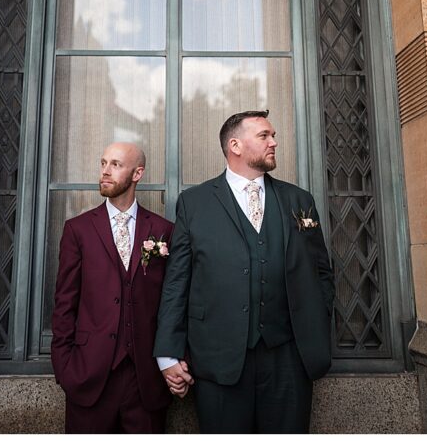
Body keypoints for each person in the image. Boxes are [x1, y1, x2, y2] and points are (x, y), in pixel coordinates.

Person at [154, 110, 335, 433]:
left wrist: (314, 323)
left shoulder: (298, 199)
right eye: (264, 136)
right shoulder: (194, 203)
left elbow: (322, 272)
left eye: (273, 135)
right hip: (218, 359)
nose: (274, 142)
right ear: (235, 145)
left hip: (290, 359)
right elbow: (177, 281)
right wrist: (168, 354)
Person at [51, 142, 176, 433]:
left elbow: (172, 302)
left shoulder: (163, 230)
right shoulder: (77, 229)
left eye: (116, 165)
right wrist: (65, 369)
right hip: (89, 376)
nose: (105, 171)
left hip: (145, 379)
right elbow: (64, 304)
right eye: (103, 163)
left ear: (137, 173)